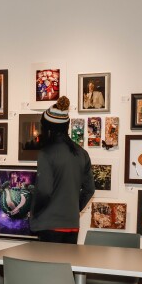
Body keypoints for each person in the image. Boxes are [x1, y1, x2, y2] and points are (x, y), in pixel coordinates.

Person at [30, 96, 95, 244]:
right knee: (65, 266)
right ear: (66, 127)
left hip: (49, 225)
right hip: (72, 225)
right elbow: (89, 189)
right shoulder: (81, 153)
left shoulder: (46, 153)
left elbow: (44, 190)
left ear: (48, 129)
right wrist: (72, 209)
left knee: (47, 267)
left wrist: (34, 211)